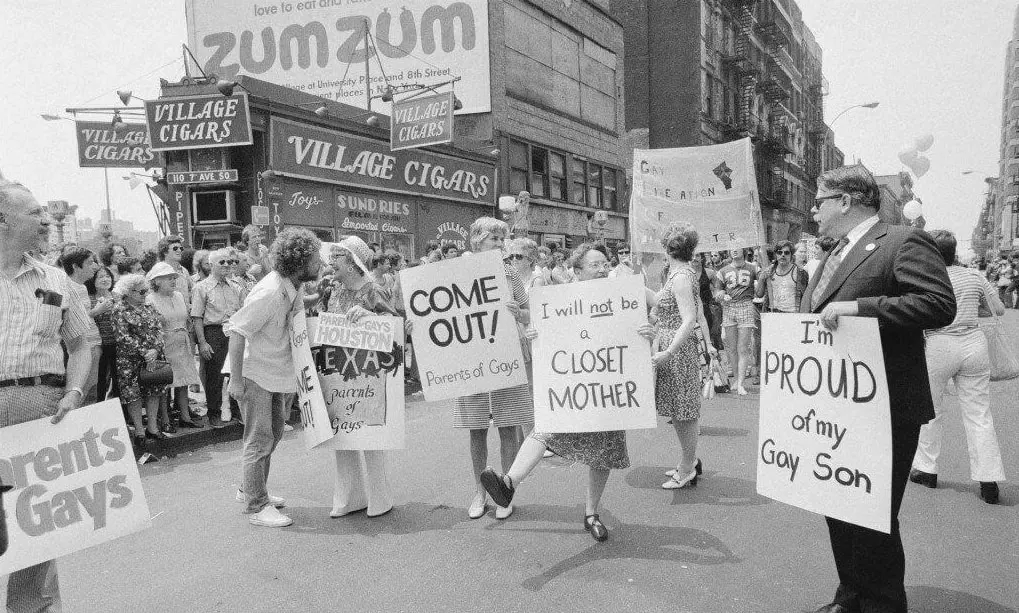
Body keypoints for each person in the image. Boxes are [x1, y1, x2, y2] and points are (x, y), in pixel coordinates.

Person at [800, 165, 955, 613]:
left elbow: (938, 303)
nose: (813, 210)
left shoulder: (902, 241)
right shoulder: (832, 254)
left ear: (846, 201)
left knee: (872, 515)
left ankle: (884, 604)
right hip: (834, 407)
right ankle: (850, 596)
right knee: (838, 504)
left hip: (884, 406)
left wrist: (862, 307)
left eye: (819, 201)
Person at [480, 243, 656, 542]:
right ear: (577, 271)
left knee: (604, 449)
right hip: (571, 387)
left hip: (606, 389)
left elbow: (639, 333)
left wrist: (647, 334)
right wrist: (534, 330)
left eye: (604, 264)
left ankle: (591, 513)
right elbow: (540, 327)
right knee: (546, 429)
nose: (602, 269)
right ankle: (508, 484)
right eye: (594, 265)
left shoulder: (621, 297)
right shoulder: (559, 302)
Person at [0, 177, 93, 612]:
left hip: (39, 407)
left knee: (34, 522)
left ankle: (30, 608)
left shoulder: (56, 279)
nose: (43, 220)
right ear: (3, 221)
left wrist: (74, 391)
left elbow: (80, 344)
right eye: (33, 212)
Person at [228, 228, 323, 528]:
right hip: (256, 374)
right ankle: (257, 506)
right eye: (315, 258)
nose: (320, 263)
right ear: (298, 262)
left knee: (275, 433)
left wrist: (318, 297)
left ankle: (251, 488)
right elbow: (238, 329)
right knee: (259, 440)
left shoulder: (290, 286)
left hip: (273, 374)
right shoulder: (270, 292)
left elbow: (292, 311)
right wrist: (236, 381)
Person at [909, 230, 1006, 504]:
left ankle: (926, 470)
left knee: (931, 409)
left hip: (939, 341)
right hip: (974, 343)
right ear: (954, 252)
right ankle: (989, 479)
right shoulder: (975, 276)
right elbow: (997, 309)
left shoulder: (928, 279)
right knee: (979, 413)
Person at [451, 218, 532, 521]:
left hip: (505, 354)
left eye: (502, 239)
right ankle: (479, 492)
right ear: (476, 240)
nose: (500, 244)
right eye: (494, 239)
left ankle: (505, 491)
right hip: (471, 358)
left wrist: (518, 312)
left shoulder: (509, 272)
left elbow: (529, 312)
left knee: (508, 426)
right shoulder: (454, 271)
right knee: (477, 429)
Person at [324, 237, 399, 518]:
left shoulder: (373, 290)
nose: (331, 263)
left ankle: (380, 496)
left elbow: (396, 326)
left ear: (353, 262)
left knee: (369, 433)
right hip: (338, 369)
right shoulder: (332, 290)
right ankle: (349, 495)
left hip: (368, 371)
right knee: (341, 435)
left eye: (337, 257)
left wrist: (369, 316)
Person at [652, 224, 713, 489]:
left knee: (684, 412)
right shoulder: (680, 273)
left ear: (667, 248)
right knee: (678, 411)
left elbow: (689, 319)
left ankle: (688, 467)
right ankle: (689, 460)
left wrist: (668, 351)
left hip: (677, 349)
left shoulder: (680, 277)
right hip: (673, 345)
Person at [111, 274, 169, 455]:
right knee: (133, 393)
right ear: (128, 292)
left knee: (154, 390)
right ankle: (139, 430)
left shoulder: (149, 307)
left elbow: (160, 329)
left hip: (153, 357)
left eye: (147, 290)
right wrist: (144, 352)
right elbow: (122, 336)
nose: (145, 294)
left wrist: (155, 349)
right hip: (130, 359)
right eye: (142, 291)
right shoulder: (119, 309)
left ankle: (152, 427)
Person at [192, 248, 247, 428]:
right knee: (214, 375)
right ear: (211, 265)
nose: (227, 266)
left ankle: (236, 411)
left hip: (233, 331)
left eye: (230, 262)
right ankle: (214, 413)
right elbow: (197, 317)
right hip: (213, 332)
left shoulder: (236, 287)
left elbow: (243, 311)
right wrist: (202, 343)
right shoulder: (201, 287)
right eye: (222, 262)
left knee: (235, 371)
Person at [147, 262, 202, 431]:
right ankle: (165, 420)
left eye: (174, 278)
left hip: (182, 341)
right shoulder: (150, 300)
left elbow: (186, 318)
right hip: (164, 343)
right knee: (165, 383)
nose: (173, 281)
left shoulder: (178, 296)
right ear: (156, 281)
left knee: (183, 380)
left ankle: (185, 416)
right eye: (168, 278)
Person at [58, 247, 103, 403]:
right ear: (76, 266)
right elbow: (69, 320)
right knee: (80, 390)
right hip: (81, 346)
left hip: (94, 342)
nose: (95, 266)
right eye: (90, 263)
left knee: (92, 388)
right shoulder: (64, 287)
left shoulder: (83, 287)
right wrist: (97, 311)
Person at [714, 247, 757, 395]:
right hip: (729, 308)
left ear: (743, 250)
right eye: (732, 248)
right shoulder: (722, 271)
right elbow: (717, 291)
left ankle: (740, 383)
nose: (734, 251)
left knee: (743, 347)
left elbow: (761, 286)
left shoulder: (753, 268)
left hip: (746, 306)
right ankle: (737, 379)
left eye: (737, 248)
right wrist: (721, 295)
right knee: (731, 348)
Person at [86, 265, 118, 401]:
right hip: (99, 345)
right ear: (93, 280)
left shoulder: (117, 296)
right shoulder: (89, 298)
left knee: (118, 380)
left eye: (107, 276)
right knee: (99, 380)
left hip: (117, 343)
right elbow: (84, 317)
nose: (105, 279)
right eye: (101, 276)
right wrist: (99, 309)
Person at [757, 239, 809, 313]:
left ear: (791, 255)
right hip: (772, 313)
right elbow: (759, 294)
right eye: (779, 252)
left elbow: (806, 298)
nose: (783, 255)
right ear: (776, 254)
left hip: (791, 314)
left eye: (786, 253)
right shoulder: (769, 271)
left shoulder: (800, 272)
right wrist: (762, 278)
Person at [157, 235, 194, 306]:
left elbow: (191, 291)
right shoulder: (158, 272)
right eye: (175, 248)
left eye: (181, 248)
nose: (179, 250)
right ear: (165, 252)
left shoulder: (183, 270)